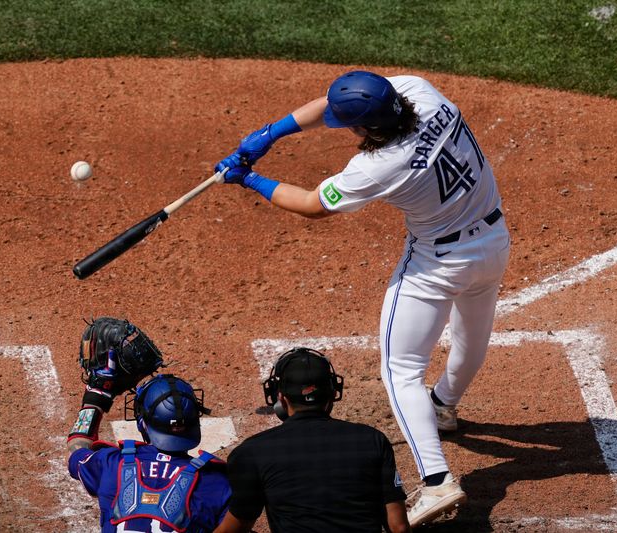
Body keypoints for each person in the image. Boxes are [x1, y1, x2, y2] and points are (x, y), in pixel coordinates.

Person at [215, 70, 510, 527]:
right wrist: (270, 133)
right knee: (471, 333)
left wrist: (250, 179)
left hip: (437, 263)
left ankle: (437, 481)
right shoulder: (420, 92)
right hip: (492, 242)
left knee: (400, 369)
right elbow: (331, 104)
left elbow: (314, 204)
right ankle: (444, 404)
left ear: (366, 129)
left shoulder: (379, 167)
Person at [213, 347, 411, 533]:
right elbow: (399, 526)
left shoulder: (252, 452)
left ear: (281, 399)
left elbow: (237, 526)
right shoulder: (372, 440)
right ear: (333, 394)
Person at [67, 317, 231, 532]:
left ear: (142, 424)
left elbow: (77, 447)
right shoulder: (218, 482)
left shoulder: (110, 464)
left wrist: (98, 393)